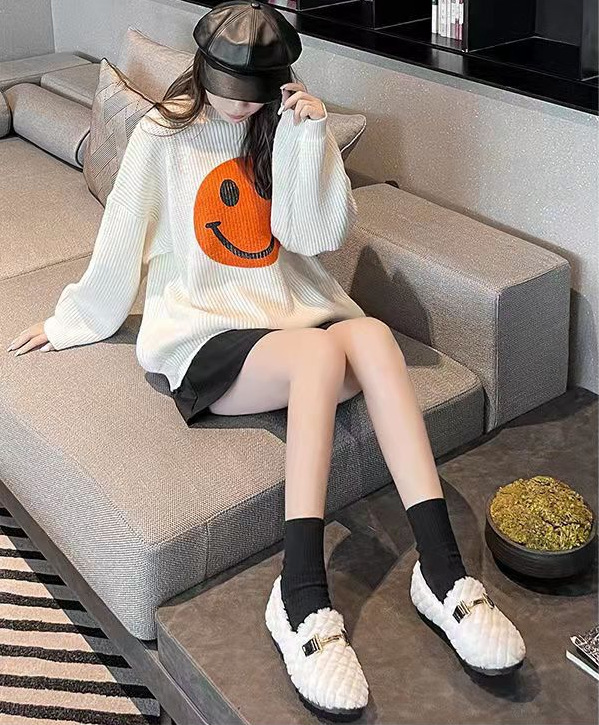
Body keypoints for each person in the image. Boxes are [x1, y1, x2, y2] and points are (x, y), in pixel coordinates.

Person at [7, 0, 526, 720]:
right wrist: (71, 320)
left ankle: (442, 576)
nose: (241, 109)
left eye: (256, 97)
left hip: (288, 316)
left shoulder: (282, 127)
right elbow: (121, 241)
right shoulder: (163, 135)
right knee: (317, 355)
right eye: (231, 94)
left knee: (373, 337)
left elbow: (312, 237)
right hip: (205, 336)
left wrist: (308, 139)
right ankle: (300, 595)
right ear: (203, 71)